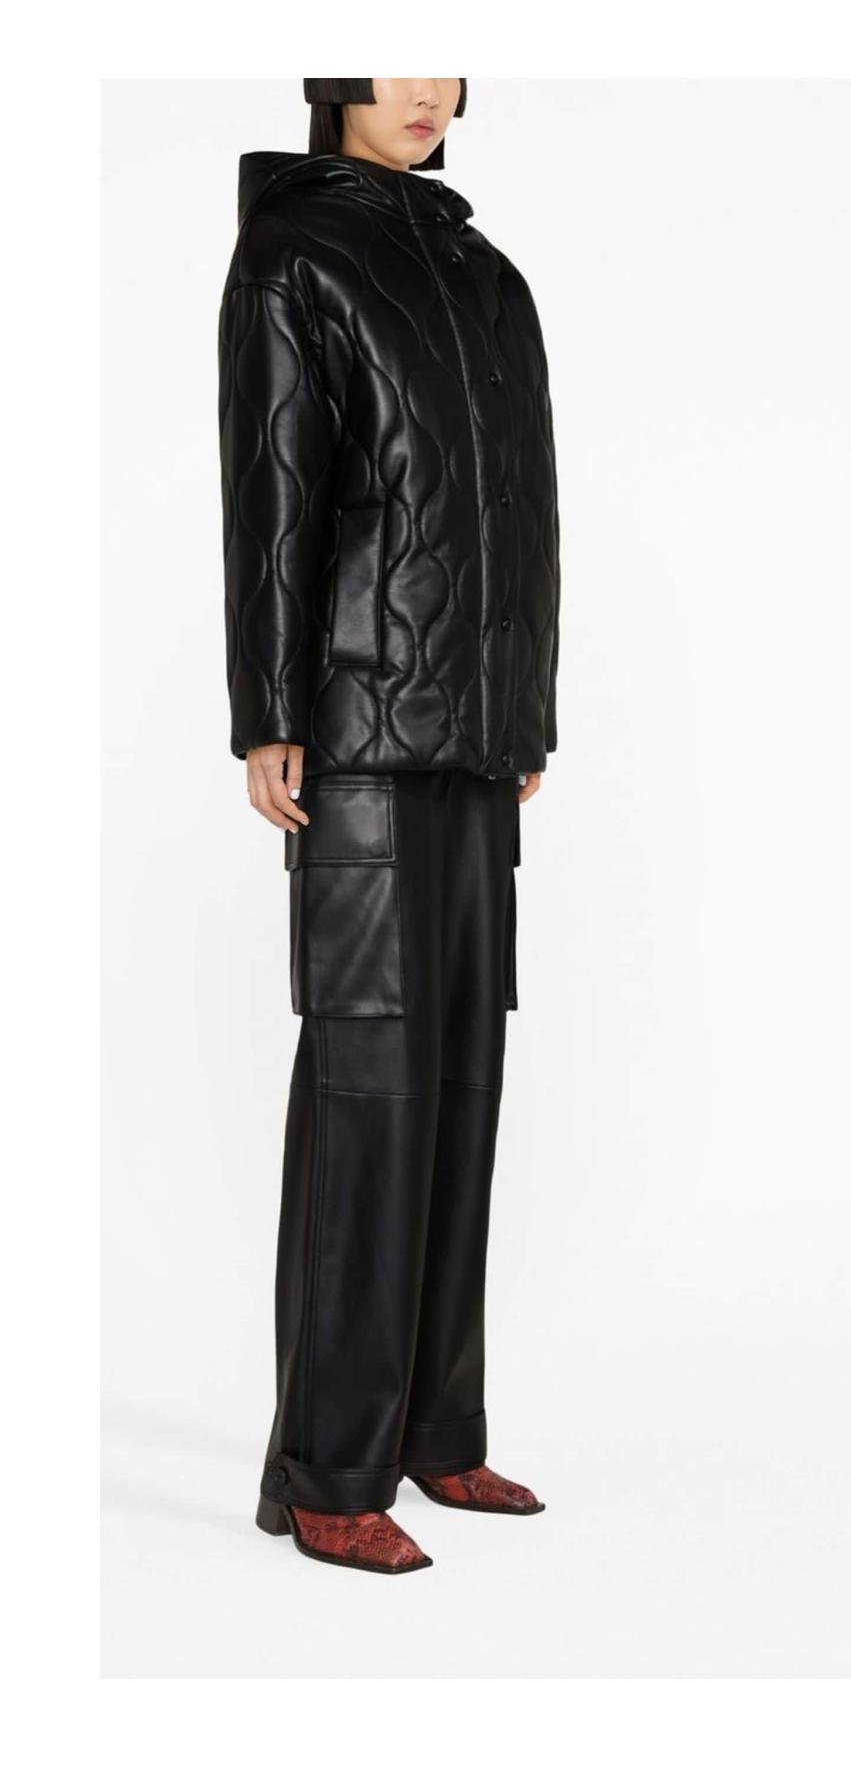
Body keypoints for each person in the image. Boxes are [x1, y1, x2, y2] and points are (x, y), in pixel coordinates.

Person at [218, 78, 561, 1575]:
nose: (424, 89)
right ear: (336, 78)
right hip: (356, 721)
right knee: (369, 1087)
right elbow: (271, 486)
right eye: (394, 53)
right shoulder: (295, 253)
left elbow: (529, 506)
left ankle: (435, 1429)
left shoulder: (489, 275)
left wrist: (524, 707)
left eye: (445, 58)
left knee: (463, 1080)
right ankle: (327, 1466)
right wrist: (267, 709)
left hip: (475, 735)